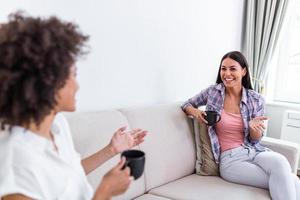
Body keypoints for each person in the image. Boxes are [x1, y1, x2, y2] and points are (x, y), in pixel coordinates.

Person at [0, 12, 147, 200]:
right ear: (48, 82)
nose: (77, 86)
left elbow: (67, 178)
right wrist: (104, 192)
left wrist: (110, 150)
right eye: (73, 75)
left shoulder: (56, 125)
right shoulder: (16, 164)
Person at [182, 51, 300, 200]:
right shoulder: (213, 92)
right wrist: (195, 112)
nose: (227, 73)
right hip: (230, 160)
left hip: (255, 151)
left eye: (232, 69)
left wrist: (253, 129)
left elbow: (256, 140)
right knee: (292, 180)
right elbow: (186, 104)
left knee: (281, 161)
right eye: (223, 68)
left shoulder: (256, 99)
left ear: (243, 71)